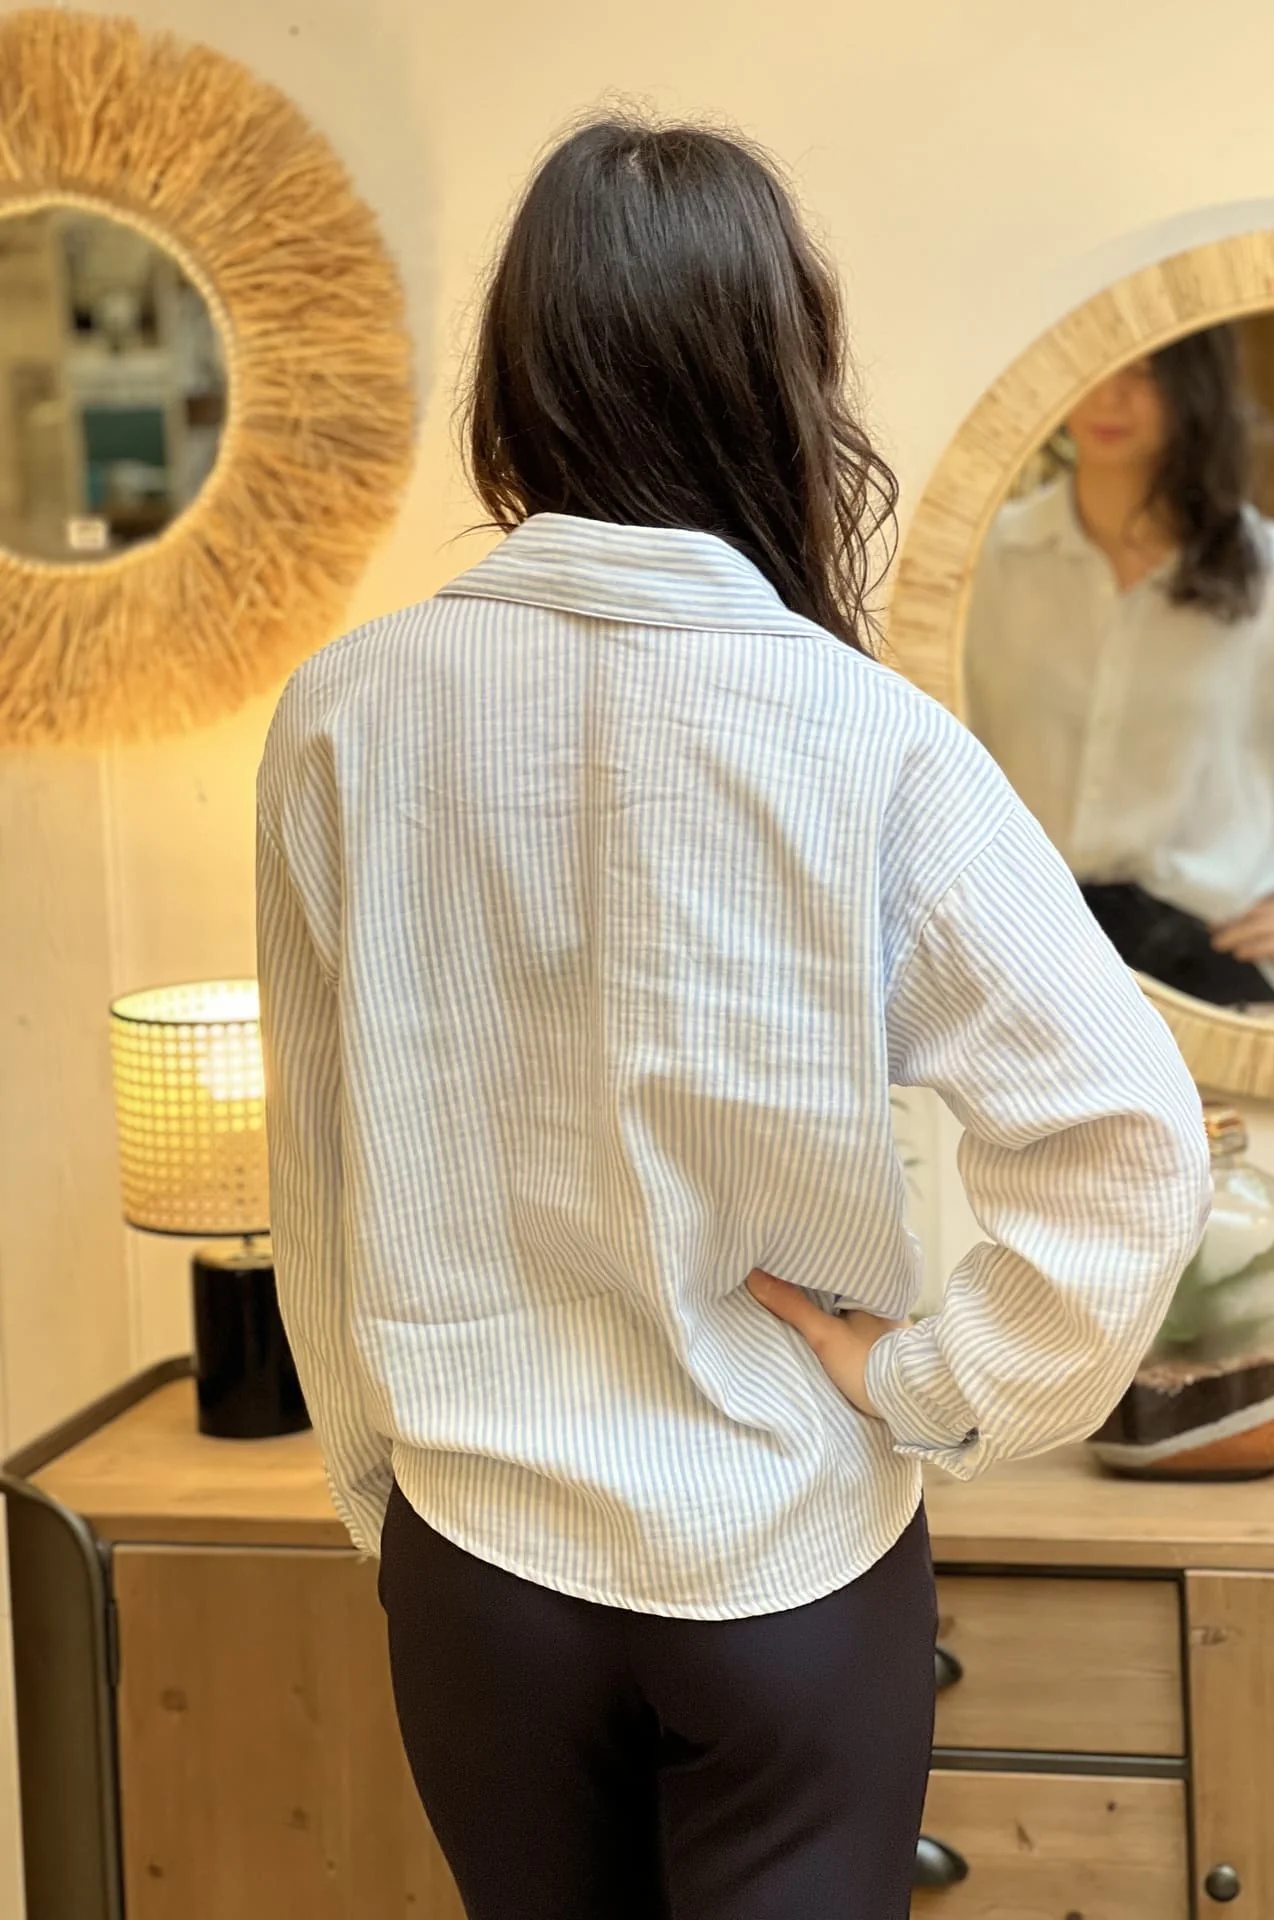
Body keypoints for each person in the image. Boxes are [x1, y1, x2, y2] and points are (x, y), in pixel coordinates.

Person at [256, 118, 1211, 1920]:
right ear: (779, 381)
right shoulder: (871, 741)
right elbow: (1130, 1144)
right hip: (783, 1566)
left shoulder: (343, 714)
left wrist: (384, 1493)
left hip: (478, 1569)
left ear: (518, 385)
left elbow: (318, 1164)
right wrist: (932, 1385)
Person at [964, 326, 1274, 1007]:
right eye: (1098, 365)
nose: (1110, 397)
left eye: (1144, 372)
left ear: (1194, 383)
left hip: (1211, 984)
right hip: (1019, 963)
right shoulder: (985, 567)